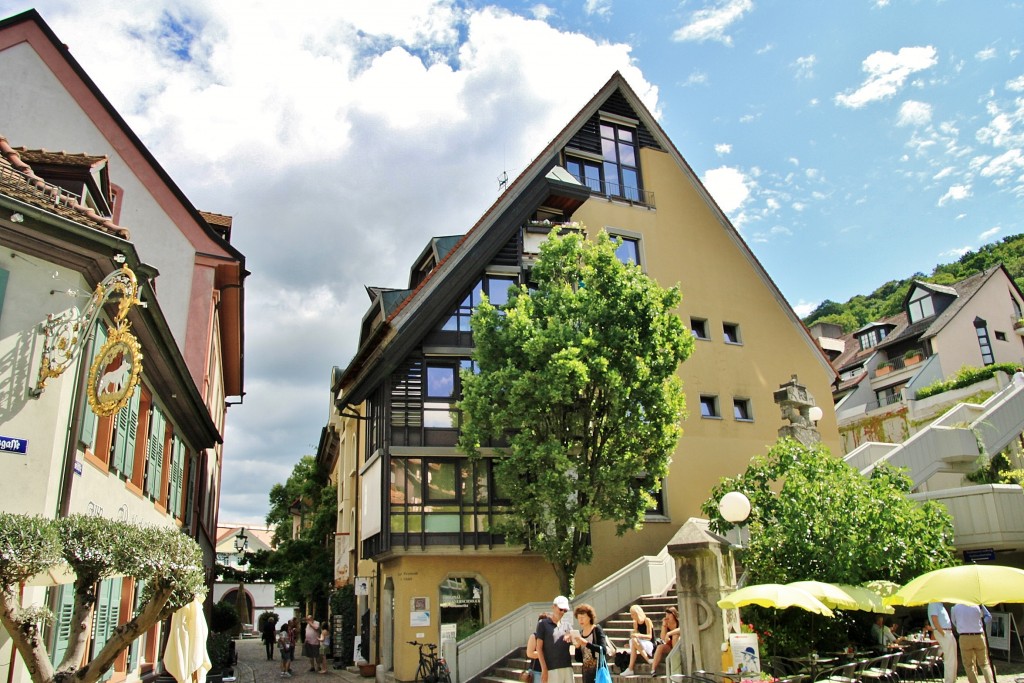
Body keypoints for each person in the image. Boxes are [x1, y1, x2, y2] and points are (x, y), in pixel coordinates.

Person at [950, 603, 994, 683]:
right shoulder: (977, 604)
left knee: (968, 666)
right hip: (978, 635)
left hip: (964, 636)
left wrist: (963, 626)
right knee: (984, 664)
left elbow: (954, 622)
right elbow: (988, 617)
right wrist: (980, 623)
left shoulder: (955, 607)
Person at [535, 596, 573, 683]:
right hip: (551, 669)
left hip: (567, 667)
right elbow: (539, 648)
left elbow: (576, 644)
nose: (562, 612)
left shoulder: (567, 625)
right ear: (553, 607)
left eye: (565, 610)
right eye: (560, 609)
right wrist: (544, 669)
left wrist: (573, 637)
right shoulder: (543, 624)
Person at [571, 604, 607, 683]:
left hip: (598, 671)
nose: (580, 620)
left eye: (583, 617)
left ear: (590, 617)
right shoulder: (580, 634)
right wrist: (577, 647)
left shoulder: (596, 629)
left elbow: (603, 650)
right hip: (586, 674)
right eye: (579, 618)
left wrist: (587, 643)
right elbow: (579, 659)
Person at [622, 604, 655, 676]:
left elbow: (649, 636)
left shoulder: (647, 620)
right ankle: (630, 669)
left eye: (632, 614)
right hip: (642, 643)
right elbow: (635, 637)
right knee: (633, 640)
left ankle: (647, 660)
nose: (631, 616)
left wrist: (637, 635)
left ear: (637, 613)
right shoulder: (635, 623)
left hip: (650, 643)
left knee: (634, 640)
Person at [928, 602, 957, 683]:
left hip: (948, 632)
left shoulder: (940, 604)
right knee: (949, 658)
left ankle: (952, 680)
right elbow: (934, 619)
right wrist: (942, 633)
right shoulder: (933, 603)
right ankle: (949, 681)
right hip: (943, 632)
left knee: (953, 658)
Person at [649, 607, 680, 673]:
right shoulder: (667, 624)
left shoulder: (679, 622)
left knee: (675, 635)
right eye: (666, 614)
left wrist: (669, 633)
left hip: (679, 643)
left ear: (674, 614)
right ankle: (653, 669)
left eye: (669, 614)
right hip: (670, 644)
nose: (667, 616)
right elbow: (662, 638)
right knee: (660, 647)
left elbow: (680, 630)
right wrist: (664, 626)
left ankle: (674, 659)